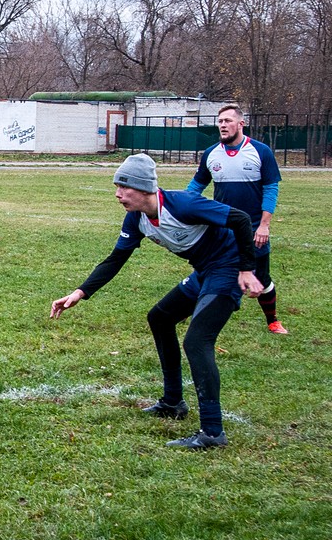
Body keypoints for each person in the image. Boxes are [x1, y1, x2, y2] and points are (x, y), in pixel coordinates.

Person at [50, 153, 264, 450]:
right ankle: (173, 402)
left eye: (124, 187)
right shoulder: (136, 219)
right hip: (205, 272)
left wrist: (246, 269)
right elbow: (116, 259)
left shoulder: (184, 204)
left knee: (197, 341)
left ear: (145, 188)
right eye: (117, 186)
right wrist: (80, 292)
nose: (118, 193)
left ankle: (213, 433)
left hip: (227, 270)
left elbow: (240, 219)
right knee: (160, 318)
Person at [189, 103, 287, 334]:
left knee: (261, 279)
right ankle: (195, 314)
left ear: (240, 124)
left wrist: (264, 225)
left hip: (253, 228)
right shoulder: (211, 154)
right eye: (220, 121)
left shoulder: (261, 151)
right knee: (208, 272)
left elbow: (271, 189)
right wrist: (182, 205)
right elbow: (196, 186)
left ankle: (272, 320)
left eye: (228, 121)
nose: (222, 125)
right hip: (221, 228)